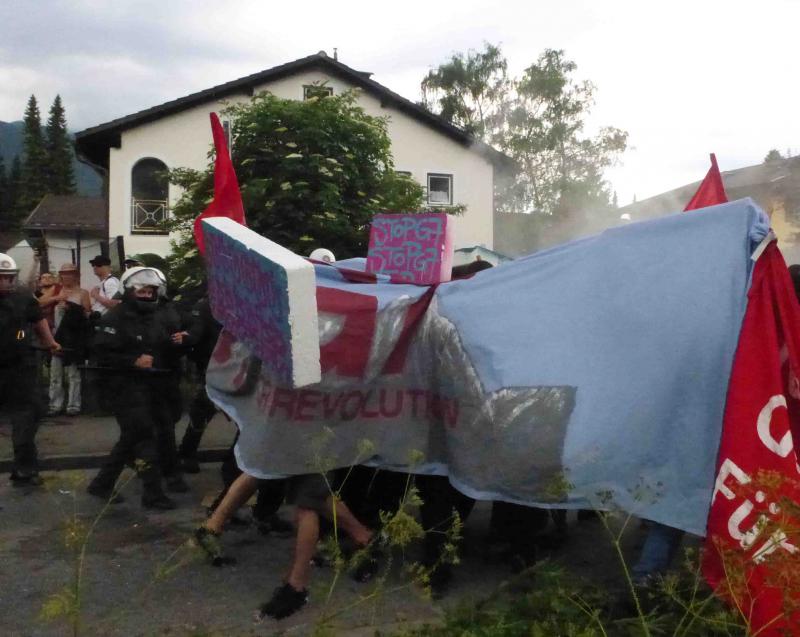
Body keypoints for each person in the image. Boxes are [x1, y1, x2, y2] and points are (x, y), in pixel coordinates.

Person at [85, 266, 179, 510]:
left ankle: (102, 484)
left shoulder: (156, 317)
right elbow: (100, 353)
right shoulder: (114, 318)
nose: (147, 295)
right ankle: (152, 493)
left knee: (134, 437)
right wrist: (132, 360)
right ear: (128, 291)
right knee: (143, 435)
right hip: (122, 387)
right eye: (141, 290)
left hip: (151, 386)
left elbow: (164, 344)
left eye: (151, 291)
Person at [0, 253, 60, 485]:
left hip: (20, 367)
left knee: (28, 416)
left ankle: (25, 469)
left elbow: (38, 320)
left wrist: (50, 342)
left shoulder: (23, 299)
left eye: (8, 278)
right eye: (1, 278)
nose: (5, 282)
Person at [48, 263, 91, 417]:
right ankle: (55, 405)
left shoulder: (83, 293)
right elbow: (39, 303)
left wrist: (72, 309)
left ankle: (73, 405)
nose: (67, 276)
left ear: (76, 275)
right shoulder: (56, 290)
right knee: (55, 374)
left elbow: (87, 314)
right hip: (56, 337)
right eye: (64, 273)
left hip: (73, 338)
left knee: (74, 374)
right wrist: (56, 298)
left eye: (70, 273)